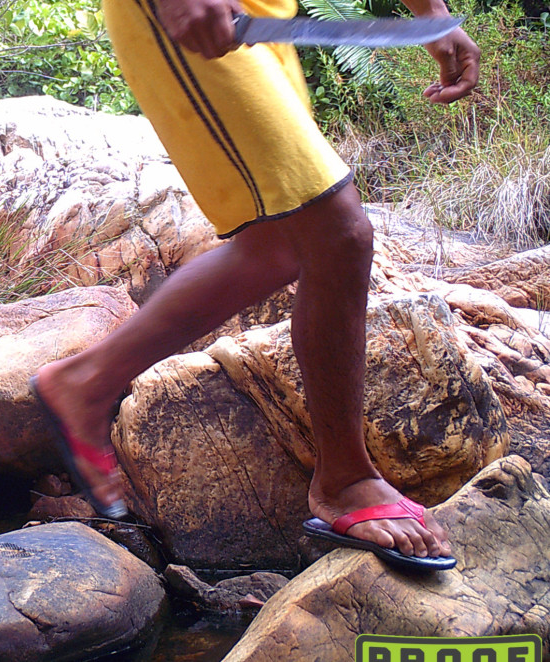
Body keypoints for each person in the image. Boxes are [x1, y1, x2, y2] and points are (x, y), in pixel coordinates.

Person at [31, 0, 479, 567]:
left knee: (278, 245)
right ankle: (344, 480)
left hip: (264, 13)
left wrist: (433, 16)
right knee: (339, 233)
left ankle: (86, 382)